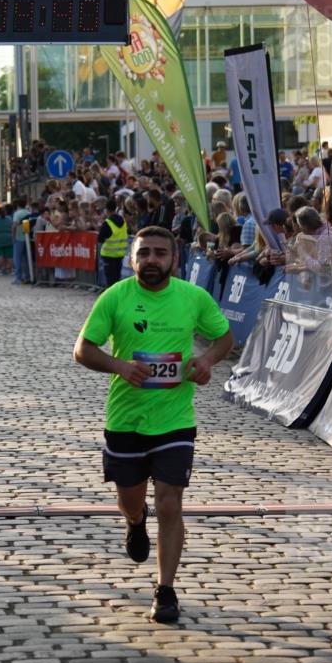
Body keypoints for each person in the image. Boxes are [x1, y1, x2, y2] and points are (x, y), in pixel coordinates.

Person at [73, 226, 233, 625]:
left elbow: (224, 338)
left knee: (170, 503)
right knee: (130, 501)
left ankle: (165, 590)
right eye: (144, 253)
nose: (151, 260)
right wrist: (120, 366)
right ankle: (135, 521)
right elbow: (83, 350)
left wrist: (206, 361)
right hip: (125, 419)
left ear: (175, 260)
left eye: (160, 253)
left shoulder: (193, 297)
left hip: (175, 420)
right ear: (132, 259)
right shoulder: (115, 297)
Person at [98, 196, 128, 288]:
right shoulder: (123, 220)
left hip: (109, 255)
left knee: (110, 281)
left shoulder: (108, 223)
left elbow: (100, 239)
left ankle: (111, 296)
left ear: (106, 209)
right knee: (117, 279)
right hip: (120, 255)